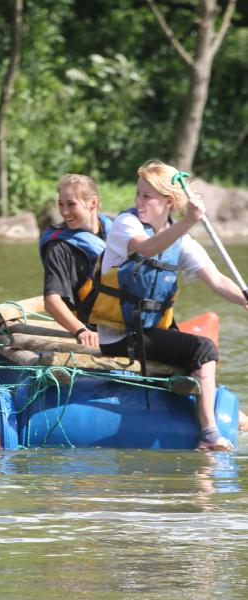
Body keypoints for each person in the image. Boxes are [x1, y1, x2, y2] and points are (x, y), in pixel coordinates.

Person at [90, 159, 248, 451]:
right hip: (118, 335)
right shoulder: (127, 224)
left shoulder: (183, 244)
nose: (139, 201)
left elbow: (216, 280)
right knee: (204, 348)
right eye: (137, 194)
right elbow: (148, 248)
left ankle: (223, 415)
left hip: (147, 332)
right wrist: (189, 220)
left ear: (170, 201)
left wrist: (244, 300)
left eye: (147, 196)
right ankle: (209, 435)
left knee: (194, 350)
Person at [40, 174, 112, 347]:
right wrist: (81, 331)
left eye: (71, 204)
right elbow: (51, 301)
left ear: (93, 203)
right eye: (60, 204)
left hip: (122, 323)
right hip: (92, 330)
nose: (64, 212)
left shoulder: (114, 230)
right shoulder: (59, 248)